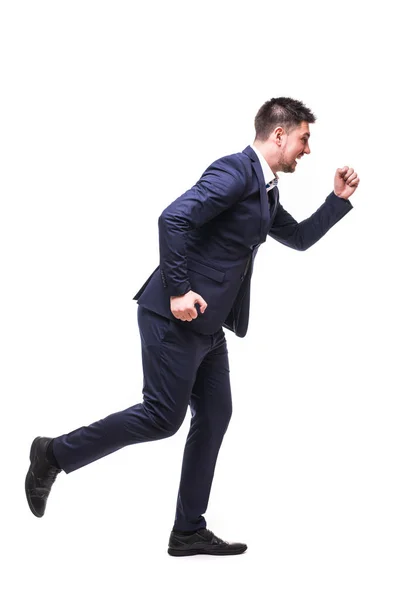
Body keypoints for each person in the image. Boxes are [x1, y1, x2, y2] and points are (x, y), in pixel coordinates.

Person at [25, 97, 360, 557]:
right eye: (304, 139)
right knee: (162, 417)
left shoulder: (266, 190)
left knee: (216, 414)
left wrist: (337, 202)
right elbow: (173, 217)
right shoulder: (235, 172)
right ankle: (52, 455)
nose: (307, 149)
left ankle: (187, 530)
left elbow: (298, 238)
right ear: (279, 134)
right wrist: (180, 290)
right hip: (173, 317)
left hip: (207, 327)